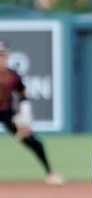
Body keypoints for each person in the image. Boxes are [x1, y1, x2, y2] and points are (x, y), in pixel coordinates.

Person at [0, 40, 65, 186]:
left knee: (33, 141)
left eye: (3, 55)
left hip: (6, 112)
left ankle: (50, 173)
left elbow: (23, 96)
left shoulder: (13, 77)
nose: (1, 59)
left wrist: (25, 116)